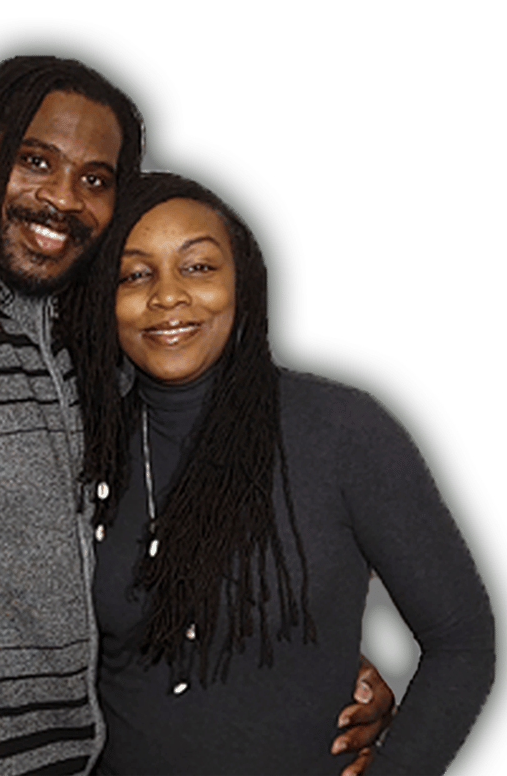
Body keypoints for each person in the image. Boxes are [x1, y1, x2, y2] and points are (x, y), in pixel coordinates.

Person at [0, 57, 391, 776]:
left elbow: (128, 586)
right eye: (35, 161)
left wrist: (311, 663)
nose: (62, 198)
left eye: (95, 180)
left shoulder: (78, 347)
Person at [62, 172, 495, 775]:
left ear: (243, 283)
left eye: (198, 267)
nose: (167, 296)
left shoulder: (343, 431)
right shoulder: (80, 446)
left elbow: (461, 640)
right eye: (134, 275)